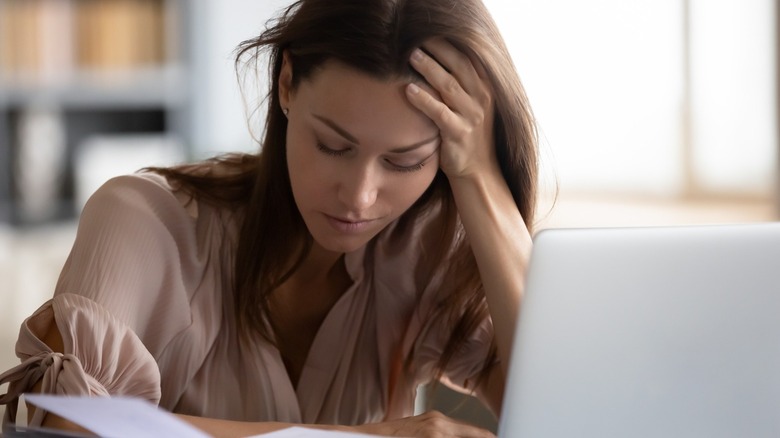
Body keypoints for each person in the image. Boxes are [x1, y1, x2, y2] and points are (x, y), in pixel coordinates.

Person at [0, 0, 537, 436]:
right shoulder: (143, 221)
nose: (359, 196)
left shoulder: (419, 253)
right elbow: (68, 428)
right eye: (332, 145)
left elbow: (552, 402)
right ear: (286, 86)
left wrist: (482, 176)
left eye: (405, 161)